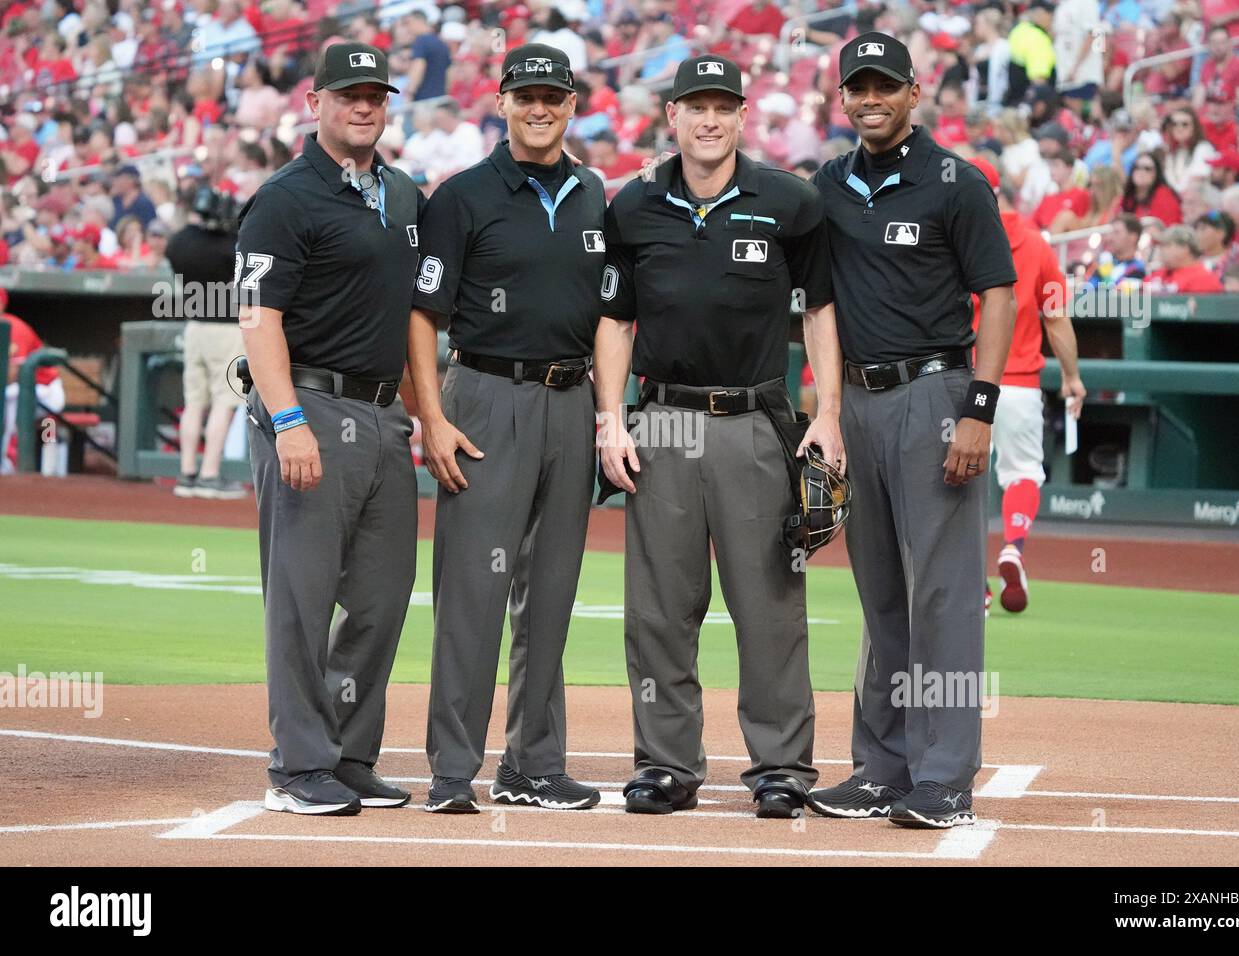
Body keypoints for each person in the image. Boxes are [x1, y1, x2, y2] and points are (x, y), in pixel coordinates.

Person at [597, 55, 838, 820]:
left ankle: (781, 768)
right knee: (659, 611)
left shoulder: (791, 202)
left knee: (769, 605)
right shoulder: (633, 205)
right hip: (661, 418)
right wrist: (611, 417)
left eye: (722, 107)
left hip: (754, 420)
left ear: (742, 115)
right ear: (671, 115)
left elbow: (820, 312)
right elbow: (612, 321)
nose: (709, 120)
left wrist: (826, 412)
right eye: (695, 106)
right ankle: (666, 766)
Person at [806, 33, 1017, 828]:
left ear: (914, 91)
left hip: (936, 394)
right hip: (858, 401)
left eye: (884, 86)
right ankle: (881, 766)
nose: (870, 98)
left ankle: (944, 774)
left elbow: (997, 295)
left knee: (946, 597)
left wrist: (979, 409)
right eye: (857, 87)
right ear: (843, 97)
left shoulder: (957, 183)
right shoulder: (826, 184)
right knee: (882, 596)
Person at [410, 44, 607, 815]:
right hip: (485, 395)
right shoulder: (460, 196)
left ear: (570, 105)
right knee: (472, 593)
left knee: (552, 594)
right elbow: (420, 318)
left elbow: (613, 319)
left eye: (553, 95)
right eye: (526, 94)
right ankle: (454, 770)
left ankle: (534, 764)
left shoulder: (595, 193)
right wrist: (432, 417)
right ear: (502, 101)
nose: (540, 106)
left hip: (569, 399)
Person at [236, 42, 422, 816]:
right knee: (302, 600)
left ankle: (346, 753)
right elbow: (257, 317)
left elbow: (414, 317)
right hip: (307, 405)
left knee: (381, 600)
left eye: (375, 94)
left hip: (384, 415)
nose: (363, 105)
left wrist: (426, 416)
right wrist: (288, 420)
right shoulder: (285, 195)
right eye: (348, 93)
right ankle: (299, 764)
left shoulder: (405, 193)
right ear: (315, 102)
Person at [970, 160, 1086, 615]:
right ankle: (1013, 545)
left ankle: (972, 583)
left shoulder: (954, 238)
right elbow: (1056, 317)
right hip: (1019, 384)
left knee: (960, 482)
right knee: (1022, 474)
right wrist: (1073, 378)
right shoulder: (1036, 243)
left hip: (965, 380)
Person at [166, 183, 245, 500]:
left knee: (195, 402)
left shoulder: (181, 240)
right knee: (224, 402)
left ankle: (186, 473)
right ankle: (210, 474)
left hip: (194, 326)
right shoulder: (231, 245)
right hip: (226, 328)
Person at [1, 291, 65, 475]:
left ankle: (9, 464)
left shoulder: (14, 328)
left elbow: (11, 375)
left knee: (10, 399)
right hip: (24, 390)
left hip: (45, 391)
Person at [1148, 225, 1226, 293]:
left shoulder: (1204, 280)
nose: (1161, 250)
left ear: (1185, 249)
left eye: (1166, 246)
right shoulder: (1158, 273)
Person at [1121, 151, 1182, 225]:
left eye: (1147, 169)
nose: (1141, 172)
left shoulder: (1165, 197)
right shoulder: (1126, 198)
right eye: (1136, 167)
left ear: (1156, 174)